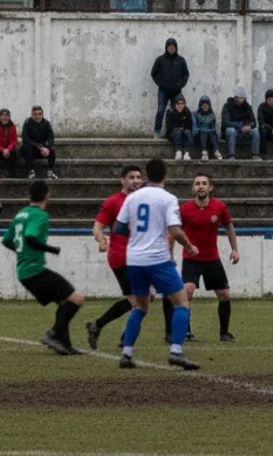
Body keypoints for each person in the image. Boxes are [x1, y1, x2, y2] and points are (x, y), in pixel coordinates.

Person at [113, 158, 201, 370]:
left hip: (134, 260)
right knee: (182, 303)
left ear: (145, 176)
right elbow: (175, 229)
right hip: (157, 259)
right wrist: (189, 246)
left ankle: (126, 354)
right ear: (165, 176)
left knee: (141, 307)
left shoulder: (132, 198)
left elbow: (119, 228)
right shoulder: (167, 198)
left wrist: (138, 236)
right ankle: (176, 351)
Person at [3, 180, 86, 355]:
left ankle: (66, 346)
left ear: (29, 196)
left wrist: (21, 252)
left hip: (24, 271)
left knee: (64, 303)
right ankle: (52, 334)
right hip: (35, 270)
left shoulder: (21, 213)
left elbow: (7, 240)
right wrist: (51, 249)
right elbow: (31, 237)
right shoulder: (39, 215)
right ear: (47, 196)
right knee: (77, 299)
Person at [85, 165, 146, 350]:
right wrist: (101, 239)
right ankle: (125, 336)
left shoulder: (144, 202)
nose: (135, 181)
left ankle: (98, 324)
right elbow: (97, 226)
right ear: (122, 180)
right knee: (137, 300)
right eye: (131, 177)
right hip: (121, 257)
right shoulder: (113, 202)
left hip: (140, 257)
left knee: (146, 298)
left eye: (138, 177)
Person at [177, 173, 240, 342]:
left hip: (212, 258)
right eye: (197, 183)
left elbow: (229, 226)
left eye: (204, 183)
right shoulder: (184, 209)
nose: (201, 186)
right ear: (193, 188)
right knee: (187, 291)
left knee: (224, 294)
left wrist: (235, 249)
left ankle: (224, 333)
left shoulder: (219, 207)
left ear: (210, 187)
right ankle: (186, 332)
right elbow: (174, 231)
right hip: (191, 258)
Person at [150, 38, 190, 138]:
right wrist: (161, 84)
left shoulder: (181, 60)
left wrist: (181, 85)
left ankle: (171, 132)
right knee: (160, 111)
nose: (171, 49)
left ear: (176, 48)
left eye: (173, 47)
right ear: (166, 48)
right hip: (163, 91)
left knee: (175, 112)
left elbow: (186, 74)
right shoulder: (160, 60)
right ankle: (156, 132)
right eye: (169, 47)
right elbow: (154, 73)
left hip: (176, 92)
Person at [221, 87, 261, 161]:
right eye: (239, 98)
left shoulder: (247, 107)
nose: (240, 100)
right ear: (235, 98)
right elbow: (225, 123)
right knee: (231, 131)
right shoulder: (227, 106)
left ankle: (255, 155)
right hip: (233, 130)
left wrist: (249, 126)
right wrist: (240, 125)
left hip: (245, 131)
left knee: (255, 131)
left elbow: (253, 122)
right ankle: (231, 155)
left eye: (242, 98)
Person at [21, 105, 57, 180]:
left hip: (42, 150)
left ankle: (50, 171)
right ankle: (30, 171)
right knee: (27, 148)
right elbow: (25, 139)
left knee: (52, 150)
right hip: (31, 149)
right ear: (31, 114)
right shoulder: (27, 123)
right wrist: (38, 146)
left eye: (39, 114)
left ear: (42, 114)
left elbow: (51, 137)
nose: (37, 116)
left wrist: (47, 148)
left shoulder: (46, 123)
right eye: (35, 114)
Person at [164, 94, 196, 161]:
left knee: (187, 133)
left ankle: (187, 153)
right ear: (175, 104)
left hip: (184, 132)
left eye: (182, 103)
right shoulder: (170, 112)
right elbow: (169, 126)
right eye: (178, 103)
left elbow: (189, 125)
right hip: (173, 133)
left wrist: (183, 129)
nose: (180, 105)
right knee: (177, 132)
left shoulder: (187, 112)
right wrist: (178, 128)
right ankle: (178, 152)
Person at [194, 95, 221, 161]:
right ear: (200, 106)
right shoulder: (196, 114)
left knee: (212, 133)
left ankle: (216, 151)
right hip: (199, 136)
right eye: (203, 105)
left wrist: (209, 130)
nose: (205, 106)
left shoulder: (212, 115)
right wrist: (203, 130)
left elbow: (213, 127)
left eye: (206, 104)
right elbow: (195, 128)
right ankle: (204, 152)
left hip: (210, 137)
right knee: (204, 132)